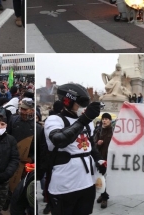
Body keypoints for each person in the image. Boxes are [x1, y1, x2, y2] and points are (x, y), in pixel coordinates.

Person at [44, 83, 103, 215]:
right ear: (68, 102)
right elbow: (59, 140)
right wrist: (83, 120)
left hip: (87, 184)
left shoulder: (88, 123)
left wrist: (99, 160)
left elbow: (90, 146)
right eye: (79, 104)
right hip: (65, 185)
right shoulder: (54, 120)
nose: (83, 108)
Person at [95, 113, 113, 209]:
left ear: (110, 121)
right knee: (101, 178)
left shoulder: (113, 132)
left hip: (109, 159)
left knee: (107, 178)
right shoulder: (98, 130)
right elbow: (93, 144)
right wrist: (97, 143)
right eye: (103, 119)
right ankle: (102, 194)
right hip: (100, 158)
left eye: (106, 119)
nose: (104, 121)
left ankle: (105, 198)